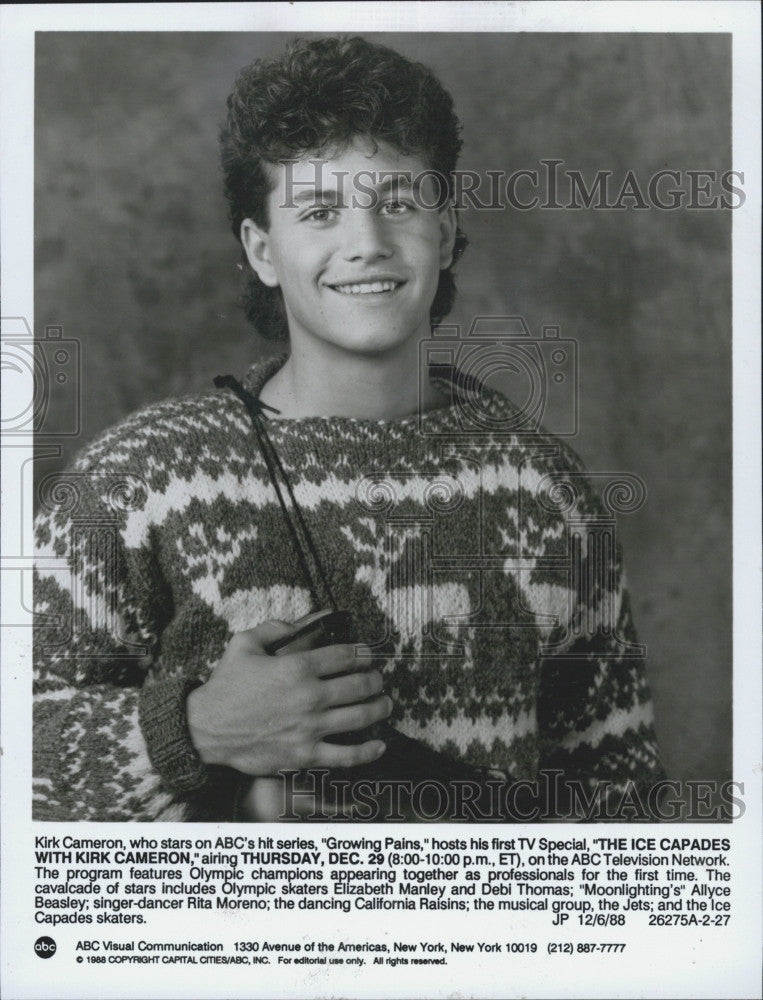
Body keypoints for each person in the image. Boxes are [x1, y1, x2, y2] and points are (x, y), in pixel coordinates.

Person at [33, 35, 663, 822]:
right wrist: (188, 731)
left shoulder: (542, 487)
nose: (365, 242)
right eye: (319, 211)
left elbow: (621, 802)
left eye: (397, 202)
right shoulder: (132, 484)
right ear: (262, 251)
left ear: (444, 227)